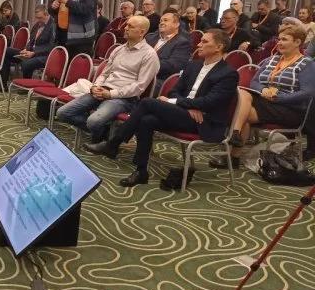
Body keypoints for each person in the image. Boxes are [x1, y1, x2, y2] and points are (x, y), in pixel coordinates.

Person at [85, 29, 238, 187]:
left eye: (205, 42)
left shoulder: (228, 74)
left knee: (147, 103)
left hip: (203, 121)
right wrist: (186, 104)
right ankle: (141, 171)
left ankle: (113, 143)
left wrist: (178, 102)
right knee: (146, 120)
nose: (199, 44)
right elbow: (174, 91)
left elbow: (209, 102)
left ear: (219, 47)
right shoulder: (194, 65)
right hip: (185, 113)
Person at [214, 23, 315, 169]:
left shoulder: (306, 64)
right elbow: (254, 82)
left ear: (297, 42)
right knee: (243, 98)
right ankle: (234, 148)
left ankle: (234, 144)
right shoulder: (271, 60)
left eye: (284, 39)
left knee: (241, 107)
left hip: (290, 109)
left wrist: (278, 97)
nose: (279, 42)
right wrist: (263, 90)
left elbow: (308, 93)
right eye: (279, 39)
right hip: (265, 102)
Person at [56, 16, 159, 144]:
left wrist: (110, 94)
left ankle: (99, 129)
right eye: (126, 25)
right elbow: (104, 73)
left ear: (142, 32)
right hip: (102, 90)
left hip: (124, 98)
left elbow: (139, 87)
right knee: (62, 113)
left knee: (93, 121)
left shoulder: (149, 55)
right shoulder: (118, 49)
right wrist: (95, 86)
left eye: (130, 26)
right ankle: (103, 131)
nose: (125, 28)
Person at [0, 4, 56, 90]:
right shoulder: (37, 24)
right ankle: (2, 85)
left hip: (43, 55)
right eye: (37, 18)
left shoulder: (53, 25)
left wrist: (34, 52)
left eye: (40, 18)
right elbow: (31, 41)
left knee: (26, 63)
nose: (38, 20)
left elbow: (51, 46)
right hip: (30, 52)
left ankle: (26, 87)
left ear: (46, 14)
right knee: (7, 51)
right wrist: (26, 49)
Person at [145, 11, 191, 85]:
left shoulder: (182, 43)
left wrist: (146, 64)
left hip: (159, 79)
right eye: (160, 21)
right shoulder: (149, 37)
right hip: (140, 73)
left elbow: (173, 66)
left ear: (176, 24)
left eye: (165, 20)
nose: (161, 23)